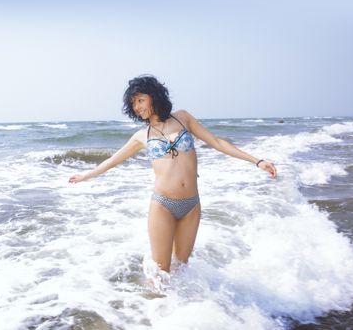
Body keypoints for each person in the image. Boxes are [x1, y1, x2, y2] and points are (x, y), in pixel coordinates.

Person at [69, 75, 277, 273]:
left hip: (191, 205)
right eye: (134, 104)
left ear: (154, 95)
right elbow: (111, 161)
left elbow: (216, 142)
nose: (138, 107)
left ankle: (179, 307)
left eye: (141, 100)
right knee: (161, 270)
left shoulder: (183, 118)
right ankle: (154, 305)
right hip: (163, 205)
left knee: (182, 267)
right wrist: (85, 176)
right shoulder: (142, 135)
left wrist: (257, 161)